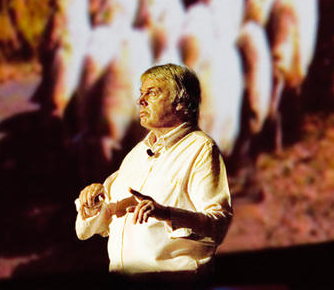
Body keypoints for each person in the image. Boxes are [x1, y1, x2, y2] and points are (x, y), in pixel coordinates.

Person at [74, 63, 232, 280]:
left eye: (152, 93)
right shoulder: (137, 154)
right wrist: (93, 204)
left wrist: (166, 214)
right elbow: (100, 227)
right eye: (141, 93)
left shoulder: (200, 149)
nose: (141, 100)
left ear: (181, 103)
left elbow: (218, 226)